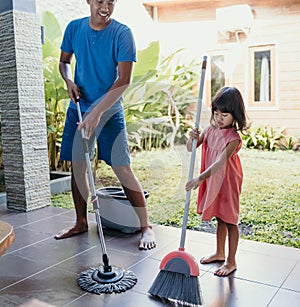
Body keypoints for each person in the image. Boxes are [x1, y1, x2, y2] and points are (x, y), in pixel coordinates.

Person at [54, 0, 156, 250]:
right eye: (100, 0)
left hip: (109, 111)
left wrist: (98, 111)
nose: (106, 7)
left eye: (111, 2)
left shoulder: (122, 33)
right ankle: (80, 222)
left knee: (122, 168)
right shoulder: (74, 29)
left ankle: (146, 227)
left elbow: (123, 80)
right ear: (88, 0)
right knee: (78, 167)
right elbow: (64, 61)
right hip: (79, 108)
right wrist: (68, 81)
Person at [185, 86, 249, 276]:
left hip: (227, 182)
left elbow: (221, 162)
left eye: (225, 114)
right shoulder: (210, 129)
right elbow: (191, 148)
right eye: (216, 112)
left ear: (235, 115)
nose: (219, 117)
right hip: (213, 180)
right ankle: (220, 253)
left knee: (230, 220)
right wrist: (192, 138)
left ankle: (231, 261)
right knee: (220, 217)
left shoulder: (233, 139)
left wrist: (199, 178)